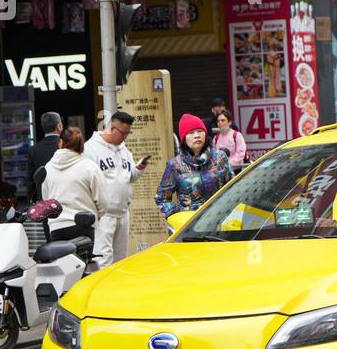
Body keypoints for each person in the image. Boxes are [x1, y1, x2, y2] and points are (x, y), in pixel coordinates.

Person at [84, 111, 149, 268]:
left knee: (120, 260)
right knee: (103, 258)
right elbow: (84, 181)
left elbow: (130, 176)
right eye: (123, 133)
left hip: (123, 212)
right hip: (103, 214)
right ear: (112, 128)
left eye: (128, 133)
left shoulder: (123, 149)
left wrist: (139, 167)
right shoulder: (90, 148)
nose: (125, 137)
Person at [157, 114, 234, 218]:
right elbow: (162, 198)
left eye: (200, 131)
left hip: (220, 219)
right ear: (184, 139)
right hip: (191, 225)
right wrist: (176, 218)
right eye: (191, 133)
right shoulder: (175, 165)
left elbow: (233, 187)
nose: (197, 135)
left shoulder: (220, 157)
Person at [41, 127, 108, 243]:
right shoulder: (90, 167)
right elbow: (103, 202)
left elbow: (46, 200)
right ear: (81, 145)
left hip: (56, 228)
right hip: (84, 225)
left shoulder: (47, 168)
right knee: (84, 261)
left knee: (61, 261)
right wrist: (95, 216)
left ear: (61, 143)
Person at [28, 112, 63, 201]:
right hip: (64, 199)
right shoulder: (67, 146)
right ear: (59, 126)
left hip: (43, 202)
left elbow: (30, 181)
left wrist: (31, 203)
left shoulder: (33, 150)